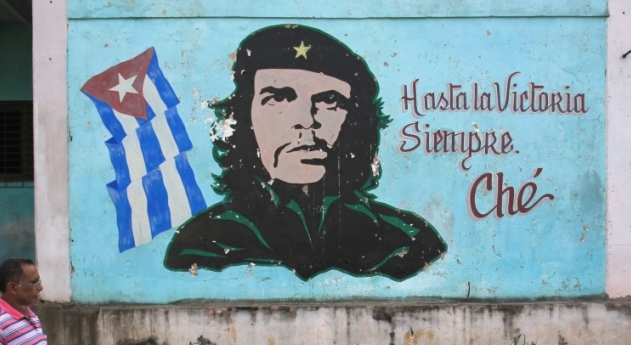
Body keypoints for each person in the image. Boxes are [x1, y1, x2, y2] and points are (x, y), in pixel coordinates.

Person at [164, 24, 446, 281]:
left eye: (329, 100)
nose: (306, 119)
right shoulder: (205, 241)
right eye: (278, 97)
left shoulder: (407, 240)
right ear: (245, 119)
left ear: (354, 123)